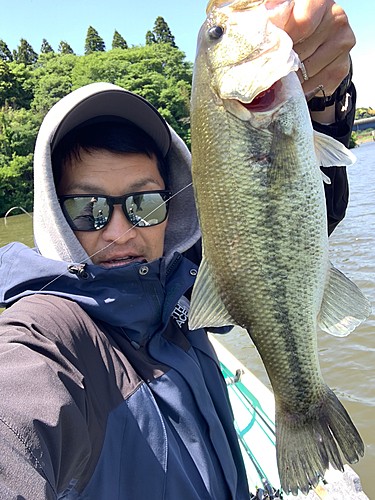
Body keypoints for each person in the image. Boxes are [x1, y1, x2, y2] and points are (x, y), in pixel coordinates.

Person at [0, 2, 357, 498]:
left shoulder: (180, 292)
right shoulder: (48, 337)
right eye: (88, 209)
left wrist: (326, 97)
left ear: (172, 206)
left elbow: (304, 225)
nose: (120, 232)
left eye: (144, 202)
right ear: (54, 212)